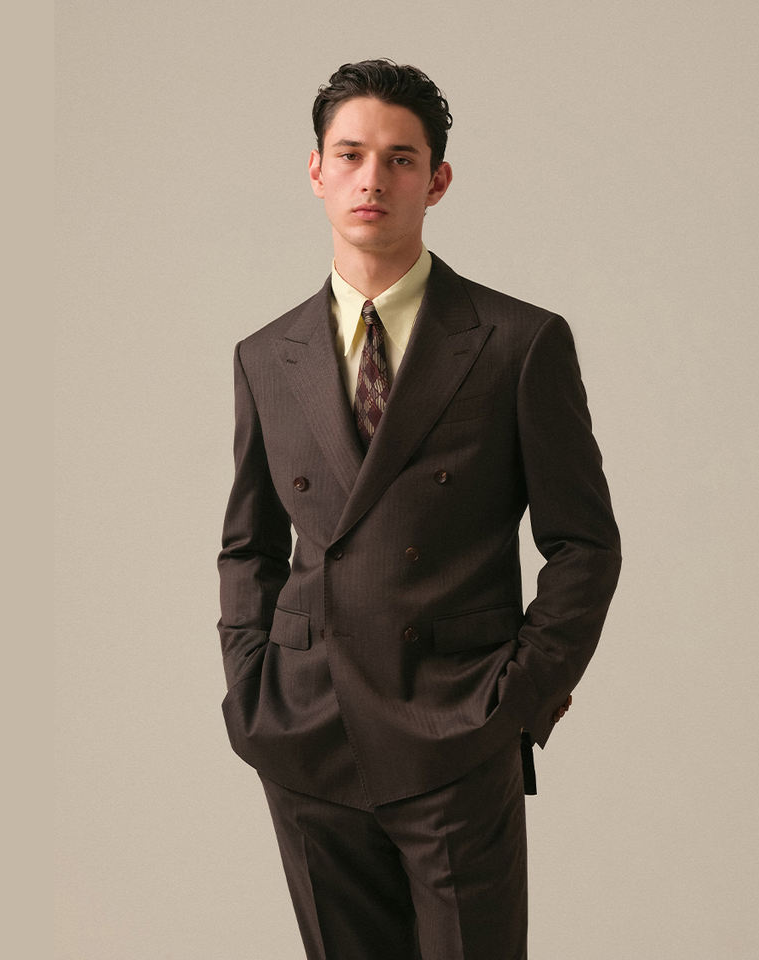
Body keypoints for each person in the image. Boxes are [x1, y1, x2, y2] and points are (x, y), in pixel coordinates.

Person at [216, 58, 621, 960]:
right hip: (306, 732)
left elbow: (586, 545)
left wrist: (516, 704)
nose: (373, 178)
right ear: (315, 170)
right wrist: (251, 692)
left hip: (456, 730)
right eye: (350, 154)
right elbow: (248, 547)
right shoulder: (266, 355)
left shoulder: (518, 341)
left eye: (400, 159)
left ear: (436, 182)